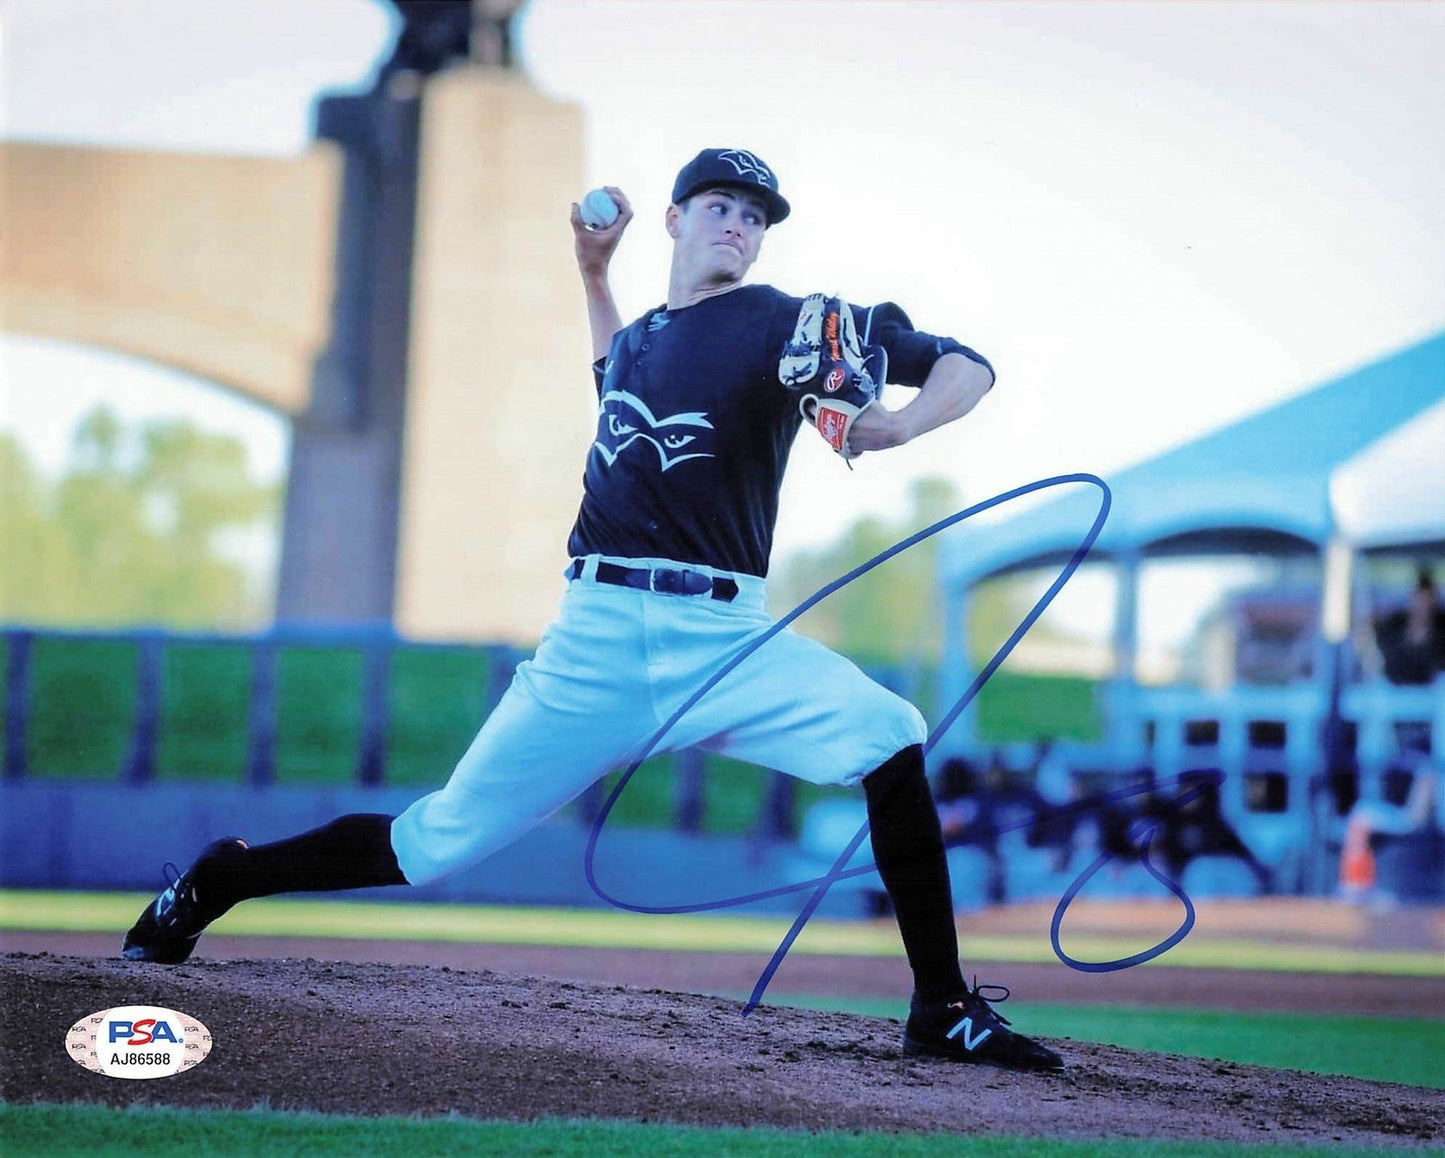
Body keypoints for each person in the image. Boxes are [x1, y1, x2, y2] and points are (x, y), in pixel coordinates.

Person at [122, 148, 1063, 1073]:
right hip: (596, 640)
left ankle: (941, 1007)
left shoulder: (784, 323)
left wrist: (898, 423)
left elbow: (963, 364)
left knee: (889, 734)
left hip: (722, 641)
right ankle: (219, 878)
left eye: (753, 214)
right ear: (676, 220)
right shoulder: (640, 340)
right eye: (719, 205)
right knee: (434, 841)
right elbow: (618, 366)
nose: (737, 222)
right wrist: (590, 270)